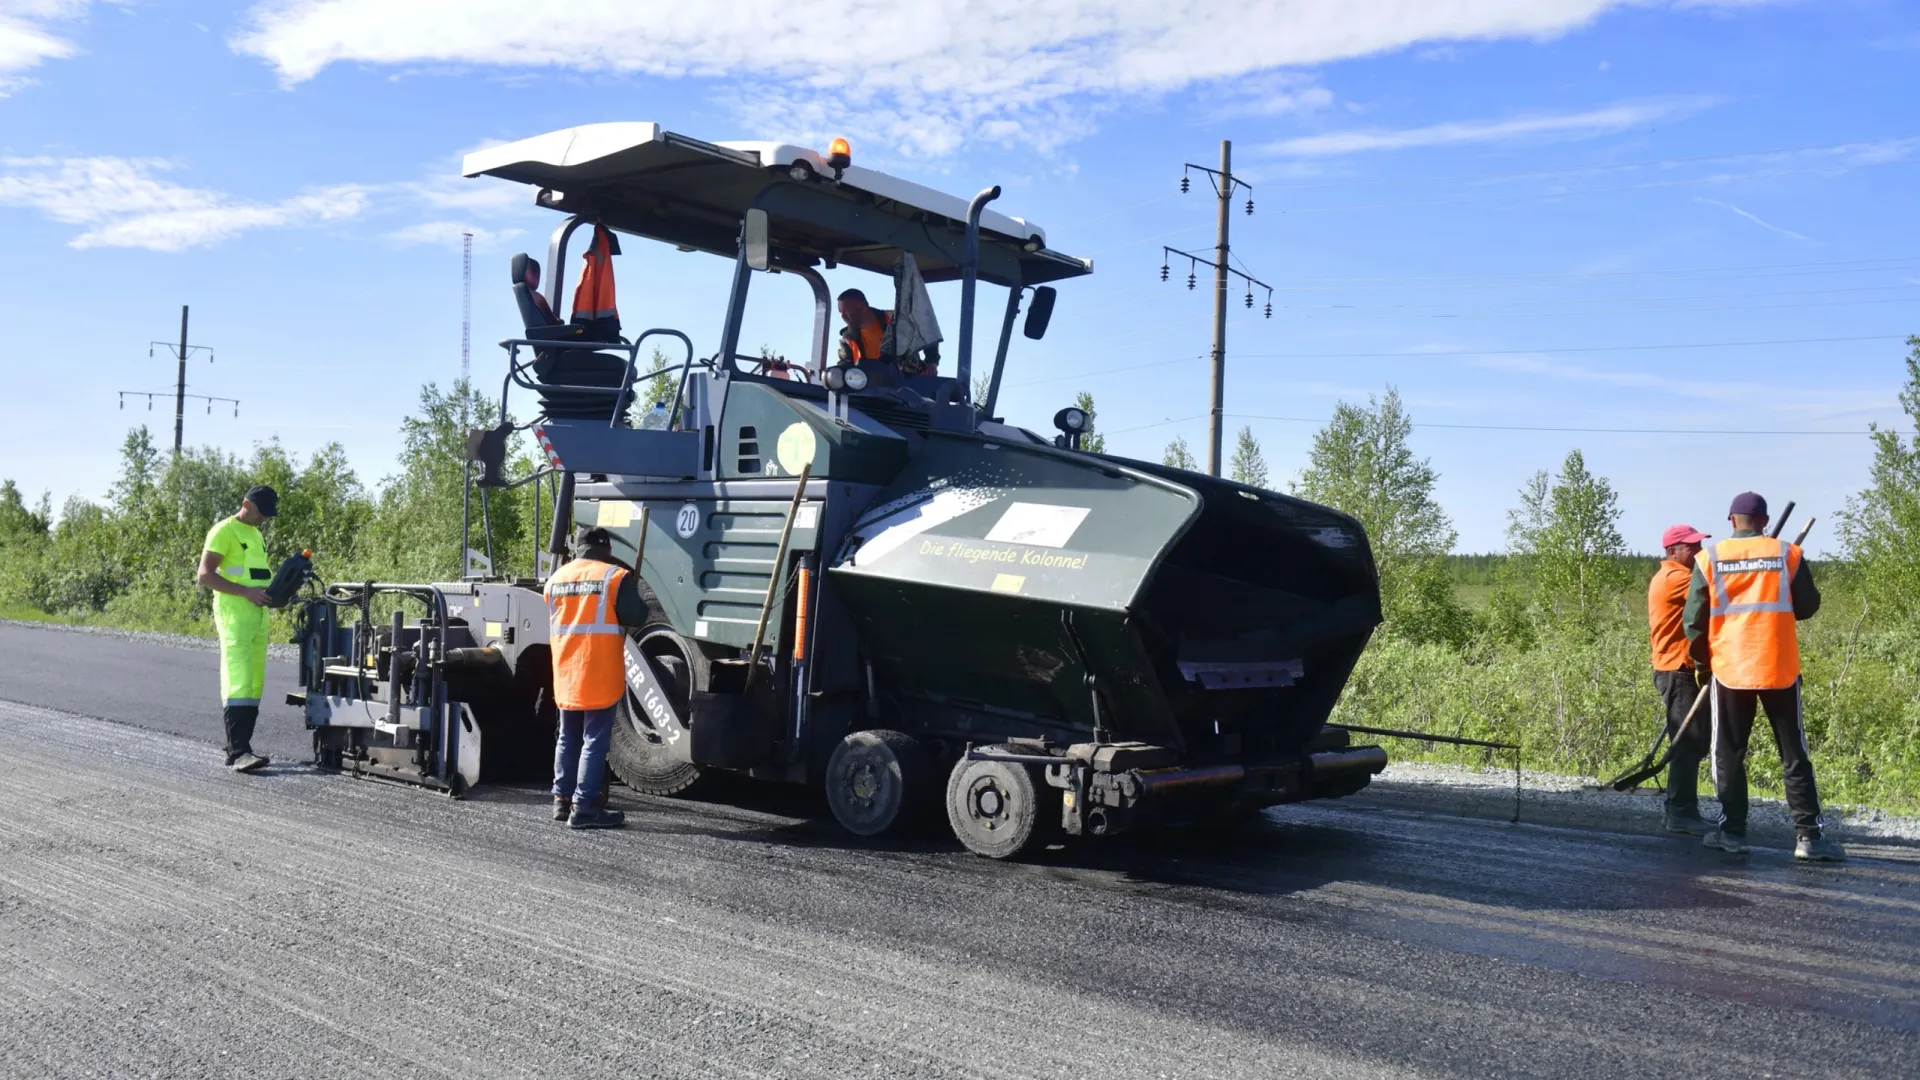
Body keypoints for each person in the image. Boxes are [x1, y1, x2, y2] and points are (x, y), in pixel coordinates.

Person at [1684, 492, 1843, 861]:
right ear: (1765, 521)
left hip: (1730, 669)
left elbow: (1693, 621)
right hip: (1778, 666)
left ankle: (1733, 833)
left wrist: (1701, 664)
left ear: (1731, 521)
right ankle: (1809, 837)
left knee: (1729, 753)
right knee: (1794, 754)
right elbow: (1807, 606)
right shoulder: (1786, 554)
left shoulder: (1709, 557)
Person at [544, 526, 650, 829]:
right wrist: (634, 590)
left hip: (566, 671)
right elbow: (638, 616)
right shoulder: (614, 577)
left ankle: (561, 801)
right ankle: (585, 808)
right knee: (594, 740)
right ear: (605, 548)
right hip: (598, 671)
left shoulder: (556, 580)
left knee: (567, 736)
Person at [195, 485, 278, 773]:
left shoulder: (256, 535)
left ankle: (242, 748)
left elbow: (257, 575)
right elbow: (204, 576)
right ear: (246, 503)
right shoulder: (223, 531)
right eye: (261, 513)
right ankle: (238, 751)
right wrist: (245, 593)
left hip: (257, 616)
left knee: (254, 683)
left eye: (268, 515)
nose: (264, 519)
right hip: (234, 618)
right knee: (238, 680)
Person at [1648, 523, 1711, 835]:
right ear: (1673, 551)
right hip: (1677, 670)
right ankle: (1680, 812)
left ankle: (1681, 808)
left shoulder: (1677, 575)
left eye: (1699, 545)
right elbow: (1716, 592)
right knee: (1688, 742)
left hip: (1681, 670)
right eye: (1692, 546)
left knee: (1692, 740)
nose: (1698, 551)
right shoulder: (1677, 578)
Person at [835, 288, 893, 367]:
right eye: (841, 312)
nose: (843, 316)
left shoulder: (894, 320)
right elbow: (843, 367)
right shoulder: (847, 339)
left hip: (902, 378)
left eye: (846, 311)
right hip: (868, 379)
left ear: (861, 306)